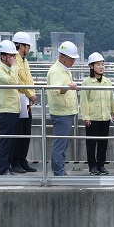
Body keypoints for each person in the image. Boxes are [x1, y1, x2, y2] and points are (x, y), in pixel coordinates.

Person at [80, 52, 114, 175]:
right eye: (98, 64)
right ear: (91, 66)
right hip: (93, 118)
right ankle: (92, 166)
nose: (101, 67)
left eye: (102, 64)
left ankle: (101, 165)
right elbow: (84, 101)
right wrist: (86, 117)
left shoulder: (107, 82)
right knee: (91, 144)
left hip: (105, 117)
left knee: (103, 143)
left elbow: (111, 98)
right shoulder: (86, 82)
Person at [46, 41, 79, 176]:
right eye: (71, 58)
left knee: (63, 144)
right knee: (60, 144)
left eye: (73, 59)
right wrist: (68, 86)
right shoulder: (56, 71)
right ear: (62, 56)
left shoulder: (64, 70)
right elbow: (55, 90)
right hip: (61, 112)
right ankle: (58, 172)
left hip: (66, 111)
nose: (73, 61)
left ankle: (60, 170)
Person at [0, 40, 21, 175]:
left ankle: (8, 166)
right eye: (11, 56)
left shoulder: (9, 70)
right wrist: (15, 66)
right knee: (5, 140)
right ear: (3, 57)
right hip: (5, 110)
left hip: (14, 109)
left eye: (14, 56)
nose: (14, 59)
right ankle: (3, 168)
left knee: (12, 141)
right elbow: (13, 82)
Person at [12, 31, 37, 172]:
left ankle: (22, 160)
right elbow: (19, 81)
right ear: (21, 46)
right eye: (27, 46)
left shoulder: (25, 61)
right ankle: (15, 162)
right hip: (19, 99)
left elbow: (29, 79)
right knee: (19, 132)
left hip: (26, 99)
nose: (29, 48)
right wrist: (30, 94)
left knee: (26, 131)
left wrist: (32, 94)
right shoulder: (14, 60)